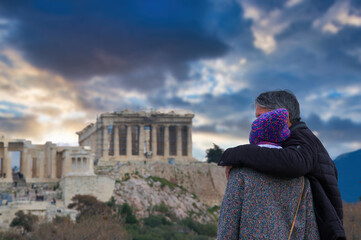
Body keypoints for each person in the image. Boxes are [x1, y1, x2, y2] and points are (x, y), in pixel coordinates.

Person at [218, 90, 346, 240]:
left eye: (260, 116)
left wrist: (235, 154)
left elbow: (292, 164)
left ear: (282, 116)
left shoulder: (302, 139)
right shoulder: (300, 139)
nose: (255, 123)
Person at [217, 108, 319, 239]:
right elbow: (310, 231)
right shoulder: (301, 179)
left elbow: (227, 227)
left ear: (255, 136)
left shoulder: (240, 174)